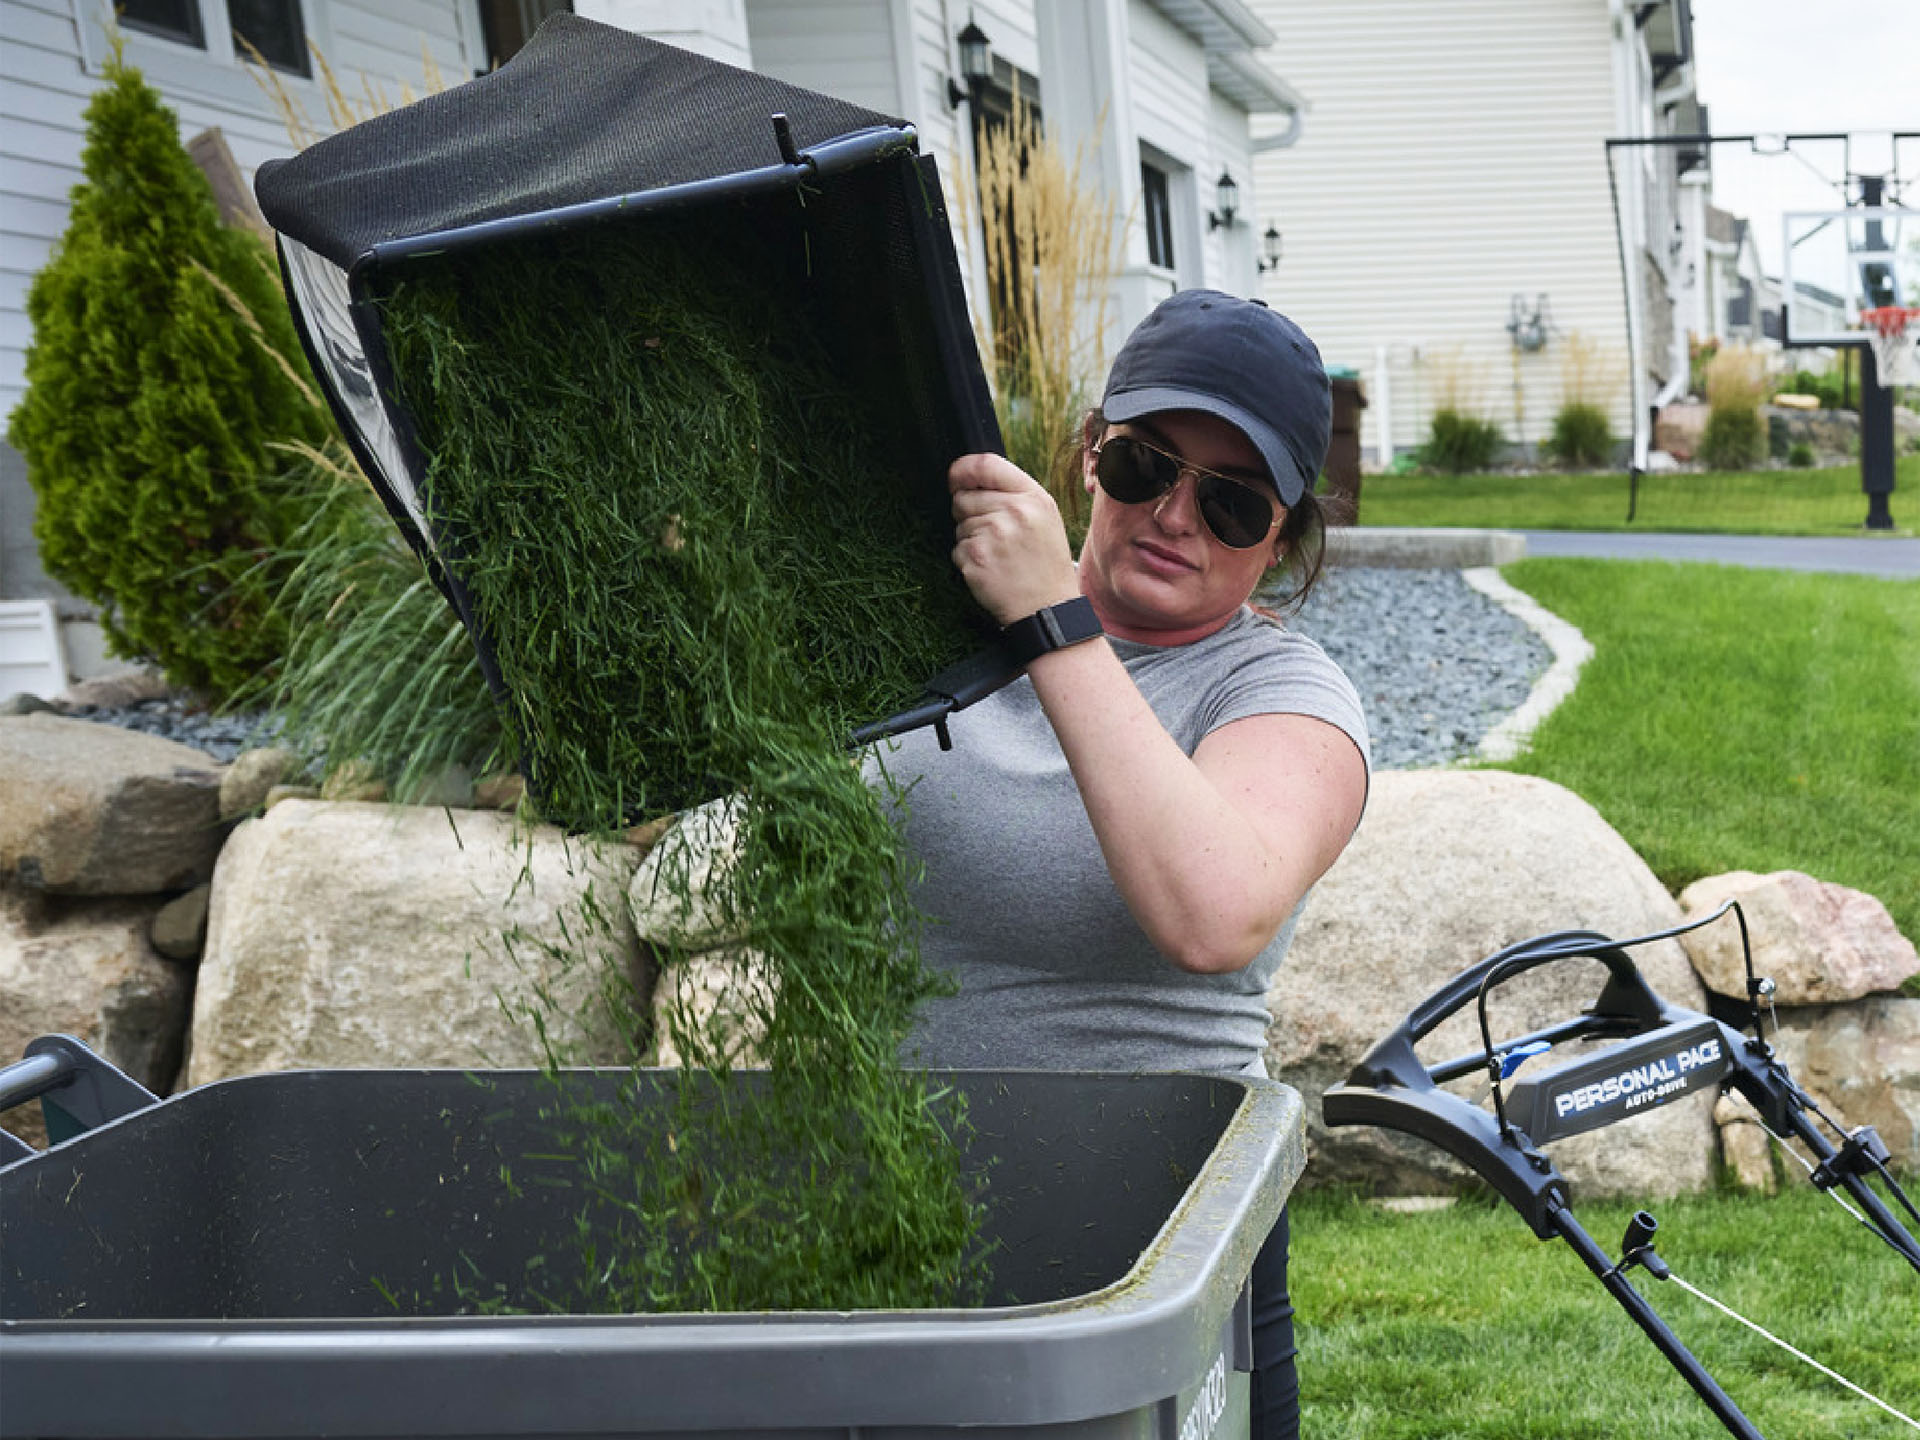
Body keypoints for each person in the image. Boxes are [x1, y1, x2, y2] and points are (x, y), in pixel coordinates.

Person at [875, 289, 1369, 1440]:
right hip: (884, 1231)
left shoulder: (1283, 698)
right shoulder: (915, 625)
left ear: (1282, 543)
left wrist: (1053, 617)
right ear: (1090, 454)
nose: (1175, 515)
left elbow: (1216, 916)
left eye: (1234, 502)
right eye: (1148, 464)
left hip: (1149, 1273)